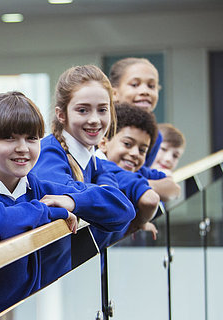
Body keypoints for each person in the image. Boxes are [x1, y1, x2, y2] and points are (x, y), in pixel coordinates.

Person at [0, 91, 134, 320]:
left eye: (32, 138)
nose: (22, 148)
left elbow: (123, 209)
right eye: (9, 138)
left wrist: (72, 201)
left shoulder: (35, 187)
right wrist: (46, 211)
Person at [32, 64, 136, 251]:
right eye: (83, 110)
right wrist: (83, 198)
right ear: (61, 114)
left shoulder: (90, 155)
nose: (95, 119)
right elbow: (122, 208)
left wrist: (81, 198)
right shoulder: (49, 155)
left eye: (102, 110)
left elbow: (121, 213)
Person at [98, 103, 180, 239]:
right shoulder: (107, 169)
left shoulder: (136, 171)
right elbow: (151, 200)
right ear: (103, 143)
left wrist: (142, 184)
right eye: (127, 144)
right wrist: (139, 222)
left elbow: (174, 189)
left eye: (142, 150)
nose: (135, 153)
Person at [109, 57, 162, 168]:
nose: (145, 91)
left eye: (151, 86)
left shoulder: (155, 135)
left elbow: (141, 172)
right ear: (114, 93)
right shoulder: (101, 125)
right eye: (134, 84)